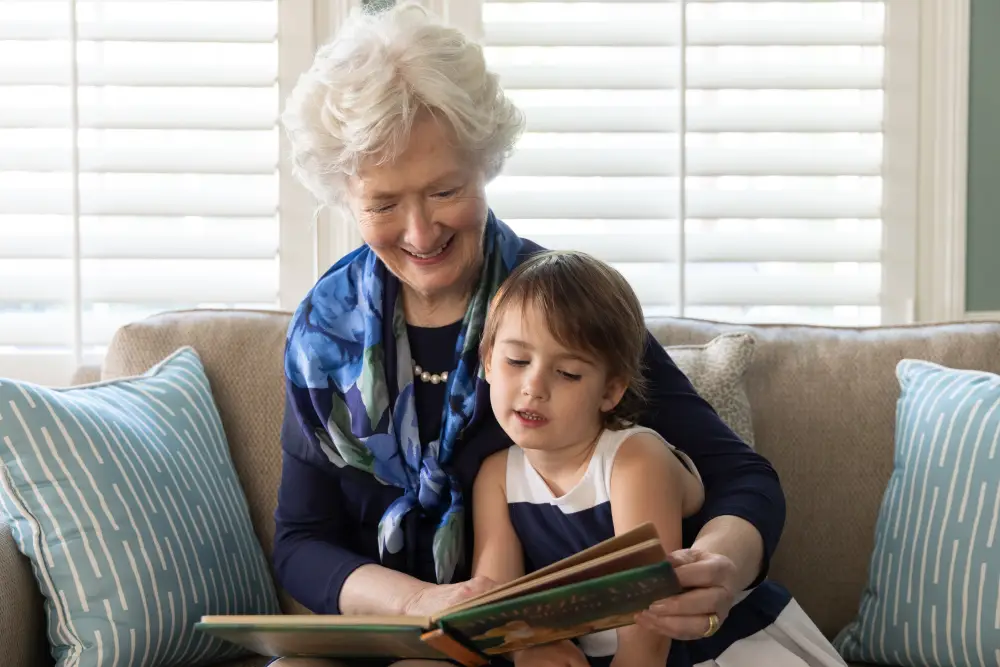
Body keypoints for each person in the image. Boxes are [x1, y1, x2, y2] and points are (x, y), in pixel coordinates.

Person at [272, 1, 817, 665]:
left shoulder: (558, 307)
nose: (419, 233)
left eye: (445, 190)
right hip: (412, 635)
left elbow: (741, 478)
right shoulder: (323, 339)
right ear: (344, 197)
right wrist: (420, 601)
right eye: (383, 204)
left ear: (485, 163)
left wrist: (722, 567)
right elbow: (301, 540)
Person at [471, 250, 846, 666]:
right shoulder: (496, 477)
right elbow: (495, 605)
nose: (533, 386)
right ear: (487, 360)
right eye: (517, 360)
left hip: (703, 645)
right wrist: (528, 648)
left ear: (611, 390)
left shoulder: (635, 459)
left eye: (569, 373)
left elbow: (650, 621)